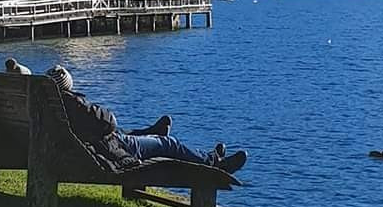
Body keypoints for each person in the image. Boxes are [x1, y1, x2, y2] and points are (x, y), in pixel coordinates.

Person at [47, 66, 246, 175]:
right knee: (169, 144)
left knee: (128, 136)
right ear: (67, 87)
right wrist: (85, 103)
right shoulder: (70, 103)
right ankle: (213, 163)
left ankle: (151, 133)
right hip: (104, 150)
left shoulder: (44, 104)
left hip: (85, 145)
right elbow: (109, 123)